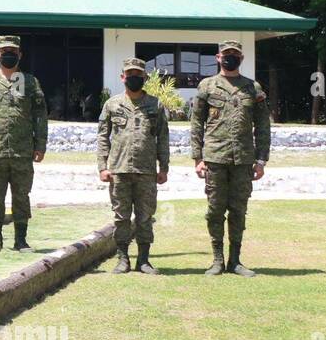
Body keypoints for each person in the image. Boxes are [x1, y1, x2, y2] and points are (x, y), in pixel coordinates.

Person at [190, 39, 271, 276]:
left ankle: (235, 260)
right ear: (218, 57)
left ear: (241, 59)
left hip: (243, 160)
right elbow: (196, 124)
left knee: (238, 210)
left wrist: (261, 160)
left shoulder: (252, 88)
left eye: (235, 54)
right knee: (215, 210)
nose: (230, 57)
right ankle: (217, 259)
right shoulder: (207, 86)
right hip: (215, 158)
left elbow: (263, 126)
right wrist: (198, 158)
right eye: (226, 54)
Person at [0, 35, 48, 252]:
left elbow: (40, 115)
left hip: (23, 151)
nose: (9, 55)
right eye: (5, 52)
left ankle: (21, 240)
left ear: (20, 55)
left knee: (22, 198)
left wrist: (40, 145)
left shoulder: (29, 82)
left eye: (13, 51)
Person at [97, 57, 170, 274]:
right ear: (123, 77)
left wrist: (163, 167)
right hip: (118, 170)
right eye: (130, 75)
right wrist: (102, 167)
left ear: (145, 77)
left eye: (138, 75)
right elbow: (103, 137)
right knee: (121, 217)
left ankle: (144, 260)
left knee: (145, 217)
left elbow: (163, 138)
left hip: (146, 171)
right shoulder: (111, 104)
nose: (134, 78)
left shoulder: (155, 105)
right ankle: (122, 259)